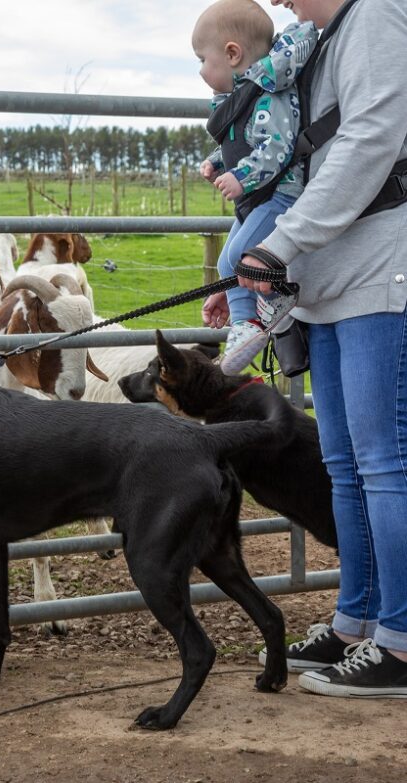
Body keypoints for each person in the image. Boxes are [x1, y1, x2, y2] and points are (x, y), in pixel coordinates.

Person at [238, 0, 407, 697]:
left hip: (379, 270)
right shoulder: (321, 40)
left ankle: (400, 642)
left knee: (384, 461)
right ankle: (356, 621)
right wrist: (287, 265)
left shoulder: (376, 14)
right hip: (330, 277)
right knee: (344, 464)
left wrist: (281, 242)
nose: (277, 2)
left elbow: (371, 137)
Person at [193, 0, 319, 374]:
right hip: (259, 197)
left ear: (232, 54)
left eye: (203, 59)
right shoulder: (245, 96)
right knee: (225, 262)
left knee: (237, 255)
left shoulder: (268, 95)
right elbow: (245, 141)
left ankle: (272, 305)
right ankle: (246, 325)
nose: (200, 69)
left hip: (281, 195)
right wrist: (218, 161)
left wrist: (241, 177)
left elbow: (276, 148)